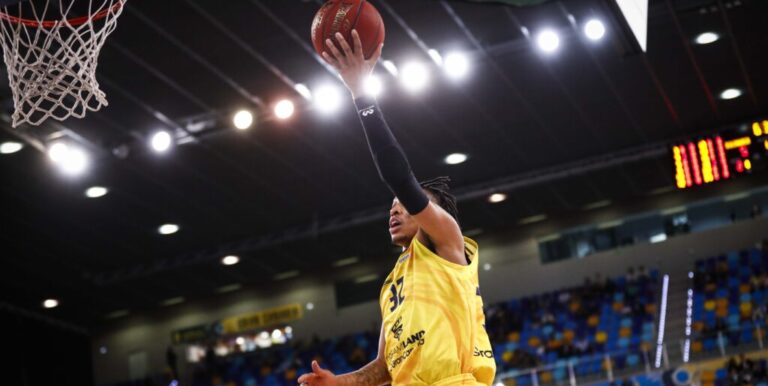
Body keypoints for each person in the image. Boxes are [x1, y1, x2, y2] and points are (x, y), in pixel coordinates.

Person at [297, 30, 496, 386]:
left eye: (405, 205)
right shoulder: (393, 286)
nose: (395, 210)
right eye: (392, 206)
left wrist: (361, 93)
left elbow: (399, 177)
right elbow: (384, 367)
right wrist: (337, 382)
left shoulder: (447, 241)